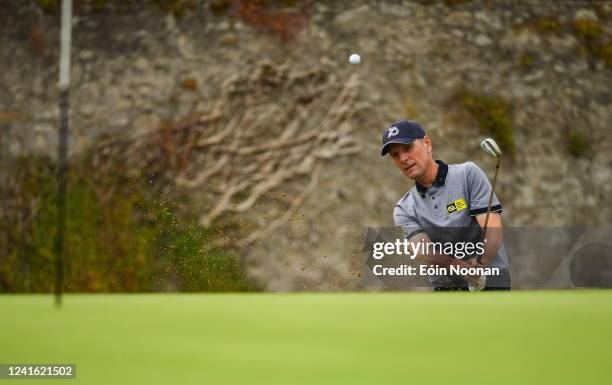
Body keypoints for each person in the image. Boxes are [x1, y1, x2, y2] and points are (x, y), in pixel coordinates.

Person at [381, 120, 511, 290]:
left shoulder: (467, 174)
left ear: (427, 144)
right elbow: (423, 251)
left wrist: (481, 264)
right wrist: (459, 266)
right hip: (447, 289)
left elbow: (493, 229)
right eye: (395, 155)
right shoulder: (403, 209)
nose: (403, 158)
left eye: (407, 148)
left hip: (493, 281)